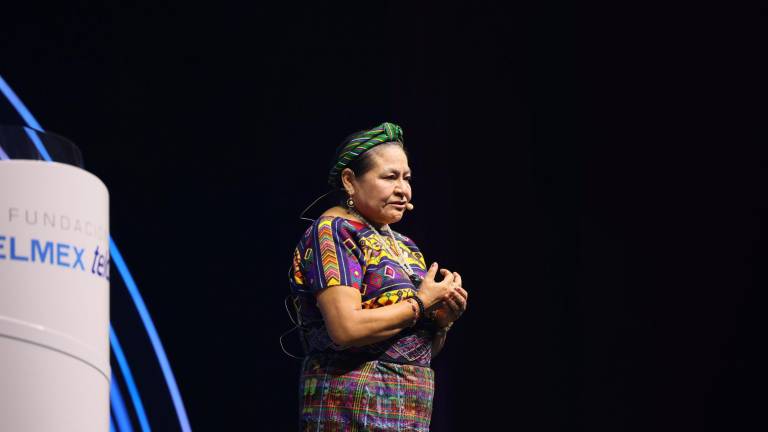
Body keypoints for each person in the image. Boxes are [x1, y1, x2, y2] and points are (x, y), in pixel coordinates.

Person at [288, 122, 468, 431]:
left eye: (407, 178)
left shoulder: (405, 246)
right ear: (349, 181)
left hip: (408, 410)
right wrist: (421, 303)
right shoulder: (333, 232)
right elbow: (345, 329)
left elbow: (414, 350)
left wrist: (441, 322)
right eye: (390, 177)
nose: (403, 189)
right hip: (351, 409)